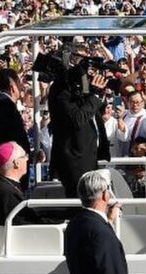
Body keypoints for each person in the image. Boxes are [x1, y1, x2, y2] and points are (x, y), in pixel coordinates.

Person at [47, 60, 111, 196]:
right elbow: (78, 119)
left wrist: (94, 93)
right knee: (79, 205)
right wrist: (94, 96)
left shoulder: (83, 93)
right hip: (74, 164)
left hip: (89, 159)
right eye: (89, 75)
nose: (93, 79)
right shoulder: (61, 92)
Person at [0, 140, 30, 227]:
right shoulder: (6, 191)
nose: (27, 159)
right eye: (25, 156)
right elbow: (23, 222)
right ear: (17, 163)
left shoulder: (2, 184)